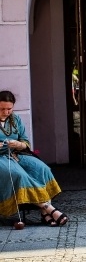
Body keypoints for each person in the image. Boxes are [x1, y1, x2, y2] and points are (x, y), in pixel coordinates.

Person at [0, 90, 68, 226]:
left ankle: (44, 214)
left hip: (17, 154)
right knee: (18, 174)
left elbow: (25, 142)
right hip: (1, 158)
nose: (6, 112)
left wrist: (19, 144)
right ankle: (47, 208)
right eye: (2, 109)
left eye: (9, 109)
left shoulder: (15, 119)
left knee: (42, 169)